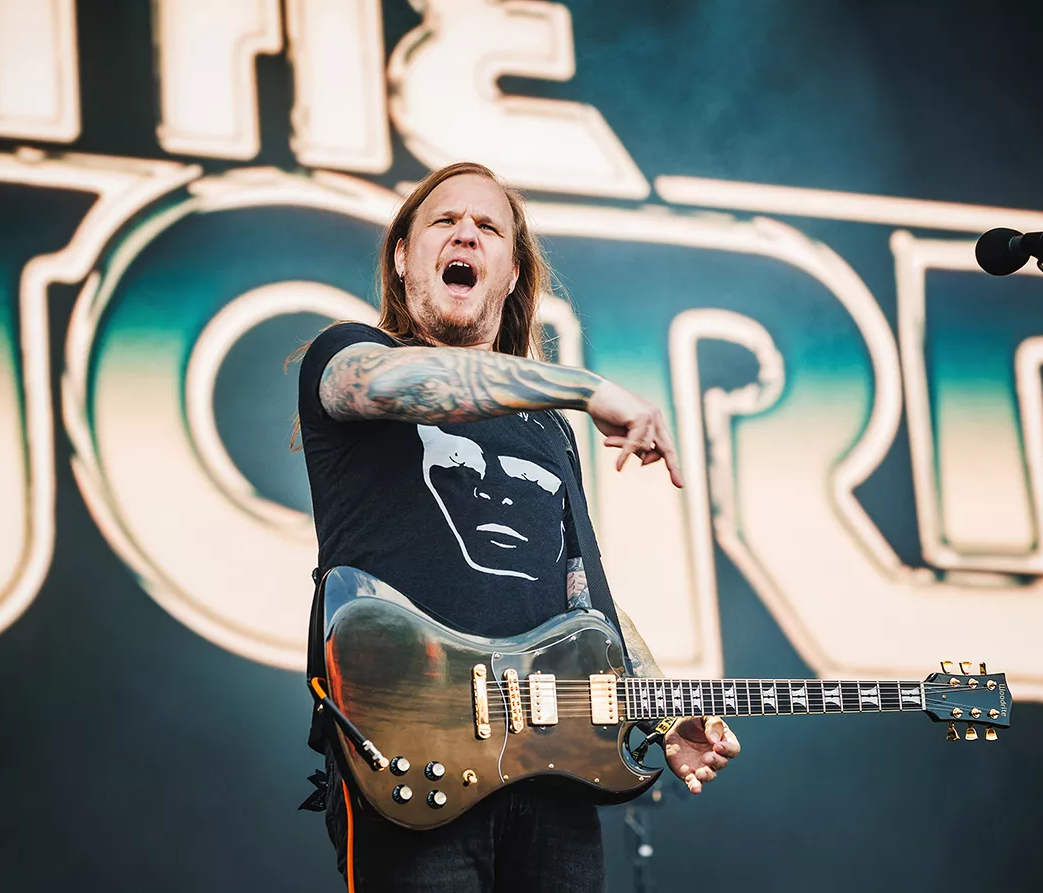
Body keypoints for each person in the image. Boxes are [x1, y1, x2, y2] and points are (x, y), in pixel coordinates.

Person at [292, 161, 741, 892]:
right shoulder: (349, 358)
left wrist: (661, 716)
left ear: (509, 276)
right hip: (415, 757)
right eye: (443, 221)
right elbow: (399, 383)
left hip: (554, 771)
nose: (465, 233)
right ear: (403, 257)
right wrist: (585, 387)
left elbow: (585, 603)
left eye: (488, 228)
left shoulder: (548, 432)